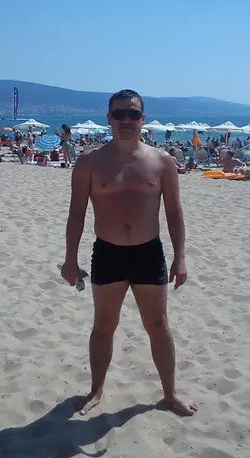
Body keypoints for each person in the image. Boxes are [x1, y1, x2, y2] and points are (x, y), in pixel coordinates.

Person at [60, 89, 197, 417]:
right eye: (119, 114)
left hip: (149, 253)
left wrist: (180, 257)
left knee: (158, 325)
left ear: (142, 119)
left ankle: (170, 394)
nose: (126, 120)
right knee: (103, 325)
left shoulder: (162, 162)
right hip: (108, 253)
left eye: (133, 114)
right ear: (108, 118)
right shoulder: (89, 162)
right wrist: (70, 259)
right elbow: (76, 213)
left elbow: (174, 212)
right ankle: (96, 390)